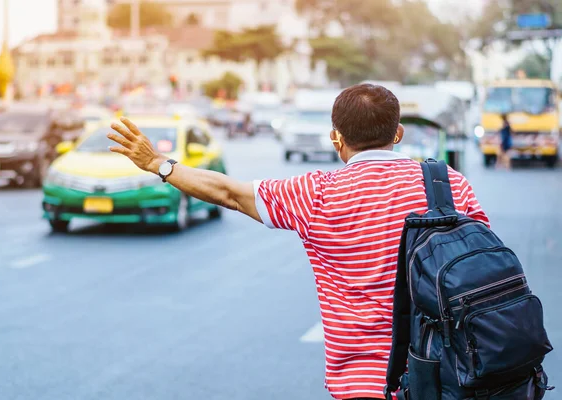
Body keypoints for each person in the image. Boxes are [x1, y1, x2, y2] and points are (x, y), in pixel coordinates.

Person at [107, 84, 490, 400]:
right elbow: (483, 262)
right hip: (450, 373)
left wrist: (159, 163)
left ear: (335, 138)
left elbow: (227, 193)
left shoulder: (316, 193)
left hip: (363, 383)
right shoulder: (447, 184)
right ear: (398, 133)